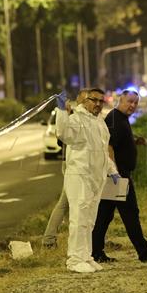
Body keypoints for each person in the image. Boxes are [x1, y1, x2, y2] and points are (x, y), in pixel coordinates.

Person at [92, 90, 147, 263]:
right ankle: (144, 252)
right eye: (129, 101)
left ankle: (95, 252)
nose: (132, 105)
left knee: (104, 215)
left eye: (135, 103)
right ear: (121, 100)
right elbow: (109, 147)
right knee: (130, 214)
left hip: (117, 175)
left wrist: (133, 141)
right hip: (118, 176)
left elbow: (118, 141)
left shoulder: (120, 118)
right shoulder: (114, 118)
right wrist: (114, 173)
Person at [55, 88, 119, 273]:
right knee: (79, 218)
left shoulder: (98, 122)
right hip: (80, 176)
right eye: (94, 100)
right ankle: (74, 260)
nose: (98, 104)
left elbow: (101, 150)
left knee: (89, 220)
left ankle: (86, 256)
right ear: (84, 101)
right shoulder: (77, 119)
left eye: (101, 101)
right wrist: (61, 110)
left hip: (94, 178)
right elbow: (63, 133)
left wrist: (111, 170)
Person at [42, 91, 87, 249]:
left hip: (76, 166)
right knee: (64, 203)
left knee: (70, 204)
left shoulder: (83, 118)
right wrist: (65, 114)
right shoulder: (72, 118)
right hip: (71, 166)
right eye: (85, 100)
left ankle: (66, 238)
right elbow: (62, 138)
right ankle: (48, 239)